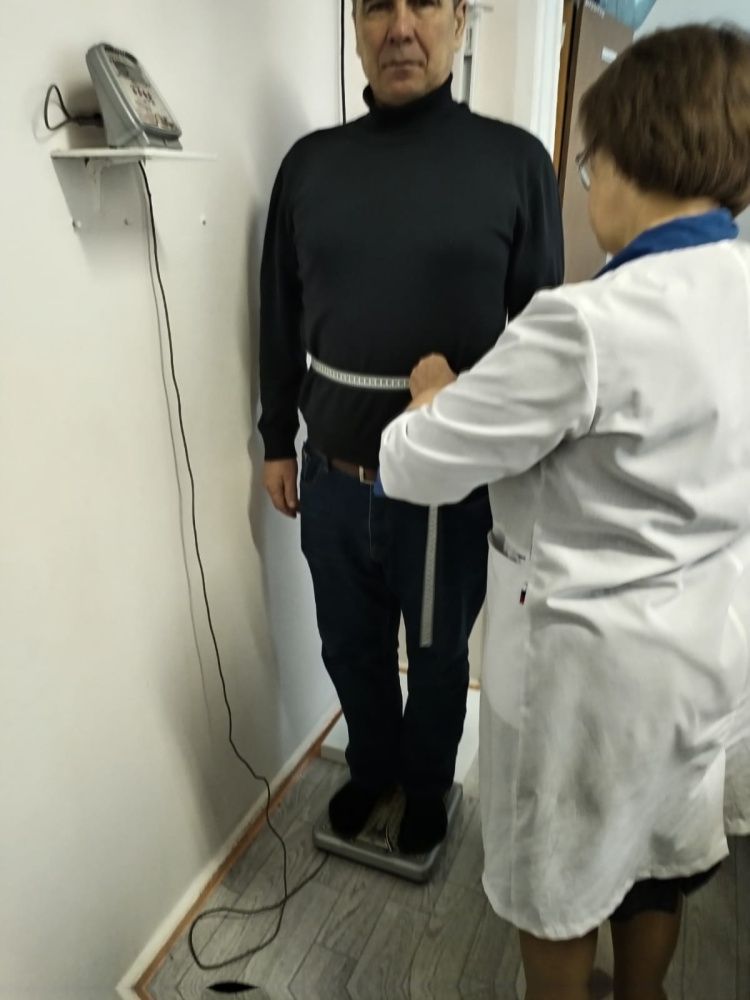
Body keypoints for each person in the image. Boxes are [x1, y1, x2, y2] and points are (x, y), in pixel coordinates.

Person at [379, 22, 750, 1000]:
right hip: (701, 651)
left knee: (562, 878)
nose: (588, 189)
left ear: (625, 153)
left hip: (586, 674)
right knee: (656, 855)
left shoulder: (586, 325)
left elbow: (415, 465)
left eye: (588, 166)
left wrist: (433, 397)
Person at [259, 0, 563, 853]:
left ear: (461, 19)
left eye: (423, 3)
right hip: (330, 478)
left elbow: (541, 340)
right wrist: (276, 439)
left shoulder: (515, 164)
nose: (399, 27)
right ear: (354, 26)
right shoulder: (310, 166)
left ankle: (427, 786)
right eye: (376, 7)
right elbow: (278, 310)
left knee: (435, 658)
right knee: (350, 648)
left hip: (447, 491)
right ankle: (372, 770)